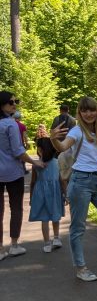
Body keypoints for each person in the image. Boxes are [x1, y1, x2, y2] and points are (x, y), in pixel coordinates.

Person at [50, 96, 97, 282]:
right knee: (78, 227)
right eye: (84, 110)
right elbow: (62, 147)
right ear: (79, 113)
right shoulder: (77, 131)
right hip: (80, 182)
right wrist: (53, 139)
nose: (88, 114)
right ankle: (81, 268)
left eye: (92, 110)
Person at [0, 91, 45, 261]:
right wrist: (35, 162)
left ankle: (0, 249)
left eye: (15, 101)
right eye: (11, 102)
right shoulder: (10, 124)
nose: (14, 104)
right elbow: (18, 151)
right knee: (16, 208)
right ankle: (13, 245)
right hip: (12, 172)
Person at [29, 138, 64, 253]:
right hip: (55, 192)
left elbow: (33, 182)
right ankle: (57, 238)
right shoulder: (56, 162)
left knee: (44, 218)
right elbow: (61, 179)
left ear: (39, 149)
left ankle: (47, 243)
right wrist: (65, 193)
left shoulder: (36, 164)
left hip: (40, 194)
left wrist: (31, 197)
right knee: (55, 214)